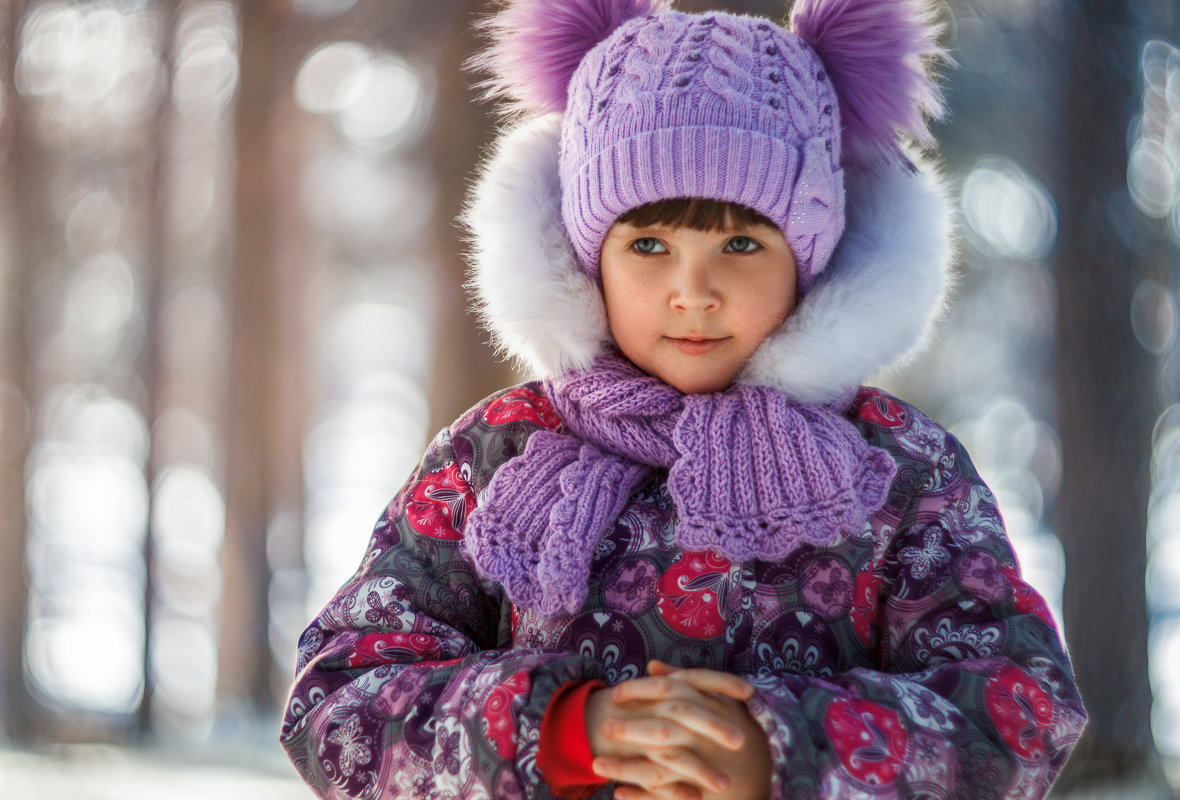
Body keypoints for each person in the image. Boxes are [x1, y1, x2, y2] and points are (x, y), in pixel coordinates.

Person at [280, 0, 1087, 797]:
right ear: (585, 254)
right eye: (648, 245)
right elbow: (339, 701)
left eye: (740, 243)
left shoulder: (899, 467)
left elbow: (1020, 709)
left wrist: (783, 750)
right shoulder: (496, 452)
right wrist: (562, 732)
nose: (692, 291)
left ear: (812, 253)